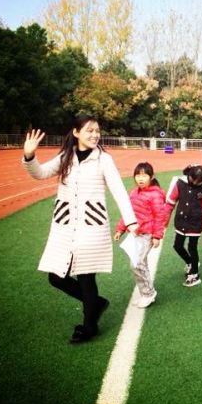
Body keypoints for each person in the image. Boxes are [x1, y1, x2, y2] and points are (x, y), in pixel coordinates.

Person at [22, 116, 137, 344]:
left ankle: (89, 326)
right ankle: (96, 303)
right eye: (89, 130)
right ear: (76, 132)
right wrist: (29, 155)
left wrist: (130, 220)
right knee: (56, 277)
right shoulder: (65, 157)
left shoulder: (104, 160)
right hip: (64, 226)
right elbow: (40, 173)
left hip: (91, 226)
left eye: (97, 131)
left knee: (85, 275)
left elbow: (118, 190)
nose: (95, 135)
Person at [114, 162, 167, 308]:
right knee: (140, 263)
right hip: (136, 234)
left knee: (136, 264)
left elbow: (160, 216)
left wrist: (157, 236)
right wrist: (120, 229)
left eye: (144, 175)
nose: (140, 178)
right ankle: (146, 293)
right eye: (138, 175)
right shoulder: (134, 193)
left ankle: (149, 293)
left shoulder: (155, 195)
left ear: (151, 177)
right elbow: (128, 213)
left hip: (147, 234)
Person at [164, 165, 202, 287]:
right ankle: (191, 262)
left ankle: (195, 274)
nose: (195, 184)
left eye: (199, 182)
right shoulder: (180, 184)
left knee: (192, 248)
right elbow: (170, 203)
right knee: (177, 246)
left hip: (196, 223)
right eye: (193, 181)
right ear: (189, 176)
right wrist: (164, 222)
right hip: (181, 221)